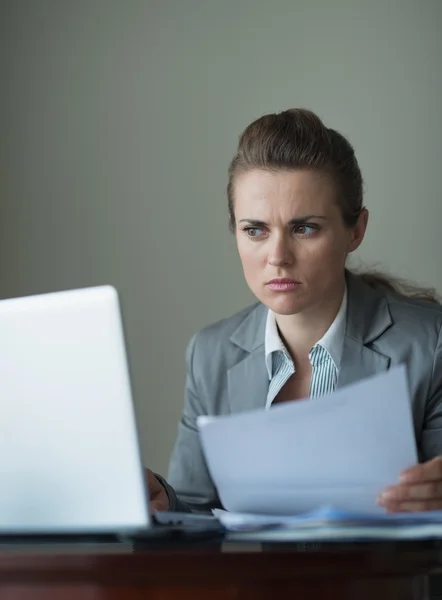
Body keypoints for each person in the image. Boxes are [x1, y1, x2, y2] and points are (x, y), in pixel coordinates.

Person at [146, 108, 442, 515]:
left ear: (355, 231)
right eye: (255, 230)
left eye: (304, 228)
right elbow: (195, 510)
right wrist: (165, 500)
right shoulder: (210, 353)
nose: (278, 257)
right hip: (253, 581)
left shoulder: (431, 345)